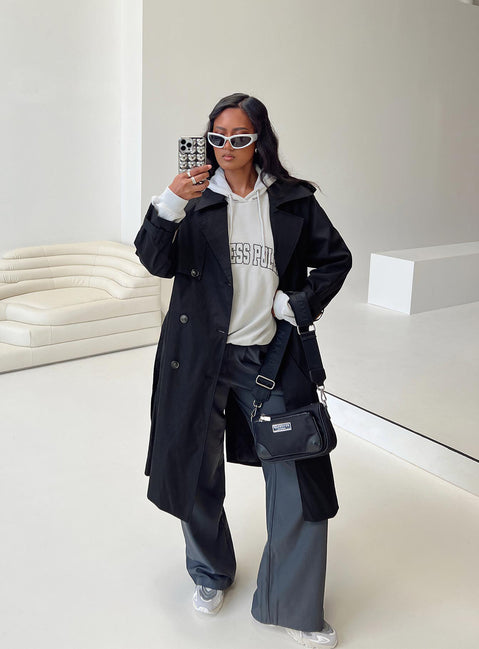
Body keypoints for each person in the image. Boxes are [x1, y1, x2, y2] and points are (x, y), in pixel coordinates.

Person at [134, 93, 352, 648]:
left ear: (259, 140)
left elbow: (336, 258)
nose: (225, 148)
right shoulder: (193, 198)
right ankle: (210, 573)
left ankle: (292, 604)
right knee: (195, 471)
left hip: (271, 358)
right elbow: (155, 261)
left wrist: (298, 302)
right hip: (196, 358)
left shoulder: (291, 200)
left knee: (299, 477)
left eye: (238, 138)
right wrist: (169, 203)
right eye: (217, 137)